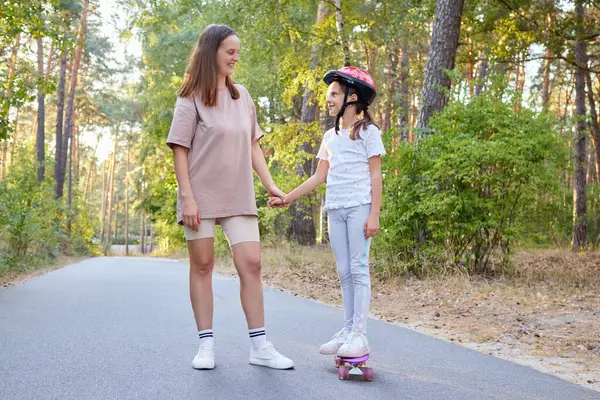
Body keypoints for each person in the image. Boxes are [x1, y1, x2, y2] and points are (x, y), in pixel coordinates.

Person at [166, 24, 294, 370]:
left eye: (238, 52)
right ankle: (205, 345)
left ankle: (260, 346)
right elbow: (179, 150)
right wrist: (187, 198)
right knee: (203, 265)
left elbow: (254, 146)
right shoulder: (190, 96)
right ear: (212, 53)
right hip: (200, 194)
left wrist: (270, 184)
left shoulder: (243, 96)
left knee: (251, 263)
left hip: (238, 193)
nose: (236, 58)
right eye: (230, 52)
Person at [269, 66, 385, 358]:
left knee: (359, 270)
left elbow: (376, 176)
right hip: (334, 209)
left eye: (334, 94)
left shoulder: (369, 132)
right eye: (328, 95)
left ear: (352, 96)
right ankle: (347, 330)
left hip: (359, 207)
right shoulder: (330, 136)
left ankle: (359, 334)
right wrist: (287, 197)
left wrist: (374, 215)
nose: (328, 99)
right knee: (344, 272)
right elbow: (318, 177)